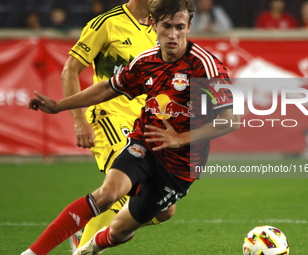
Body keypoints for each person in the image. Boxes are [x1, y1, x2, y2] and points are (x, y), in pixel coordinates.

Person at [22, 0, 239, 254]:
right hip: (143, 141)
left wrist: (181, 138)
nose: (173, 34)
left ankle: (94, 241)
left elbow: (230, 120)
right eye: (166, 26)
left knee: (128, 226)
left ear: (190, 26)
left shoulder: (205, 66)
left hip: (180, 164)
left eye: (179, 27)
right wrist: (60, 106)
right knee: (107, 194)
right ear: (153, 24)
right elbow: (107, 88)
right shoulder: (145, 60)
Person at [60, 0, 175, 252]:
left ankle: (97, 226)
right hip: (110, 117)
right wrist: (79, 120)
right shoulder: (107, 24)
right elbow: (70, 70)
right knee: (125, 188)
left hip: (143, 126)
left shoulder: (161, 28)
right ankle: (85, 247)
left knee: (165, 208)